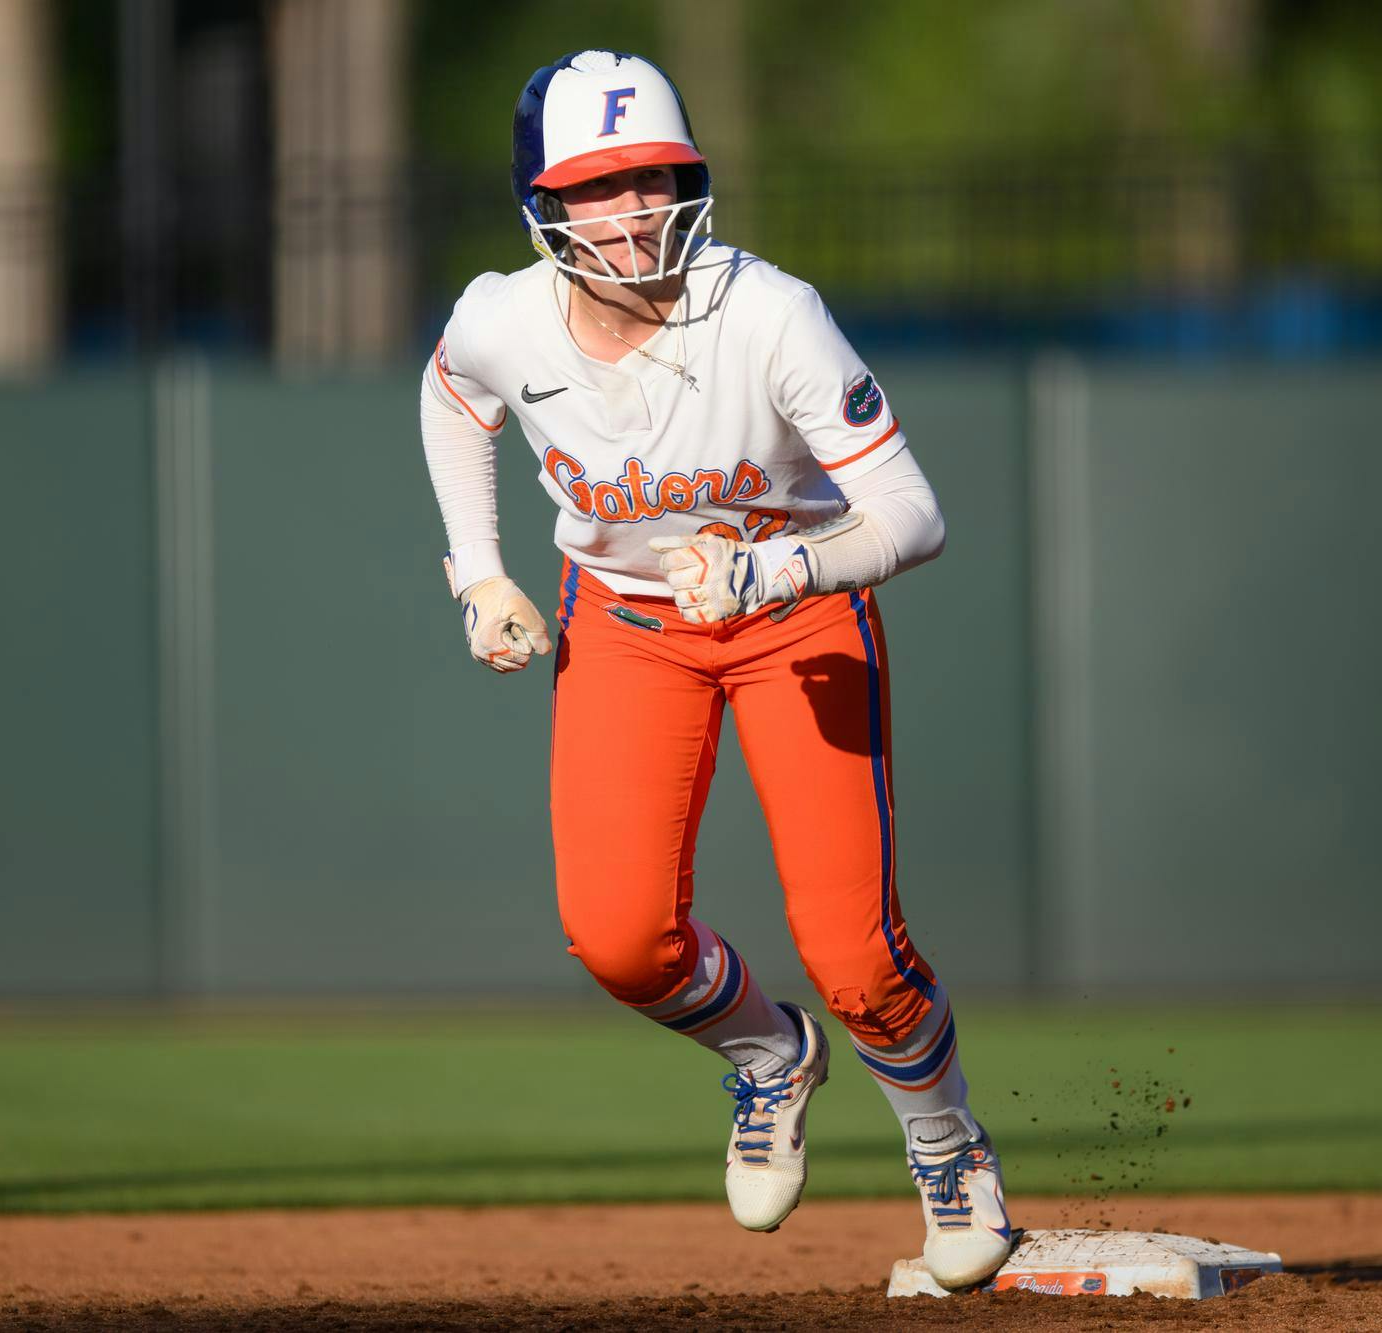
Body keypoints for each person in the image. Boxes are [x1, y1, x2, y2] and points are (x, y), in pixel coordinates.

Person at [418, 49, 1012, 1289]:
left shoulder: (766, 310)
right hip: (628, 621)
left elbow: (912, 513)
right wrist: (476, 572)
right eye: (601, 185)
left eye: (654, 177)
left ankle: (947, 1144)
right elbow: (451, 393)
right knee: (620, 939)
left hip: (794, 608)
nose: (634, 209)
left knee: (856, 956)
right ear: (545, 206)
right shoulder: (503, 318)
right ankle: (766, 1053)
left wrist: (777, 575)